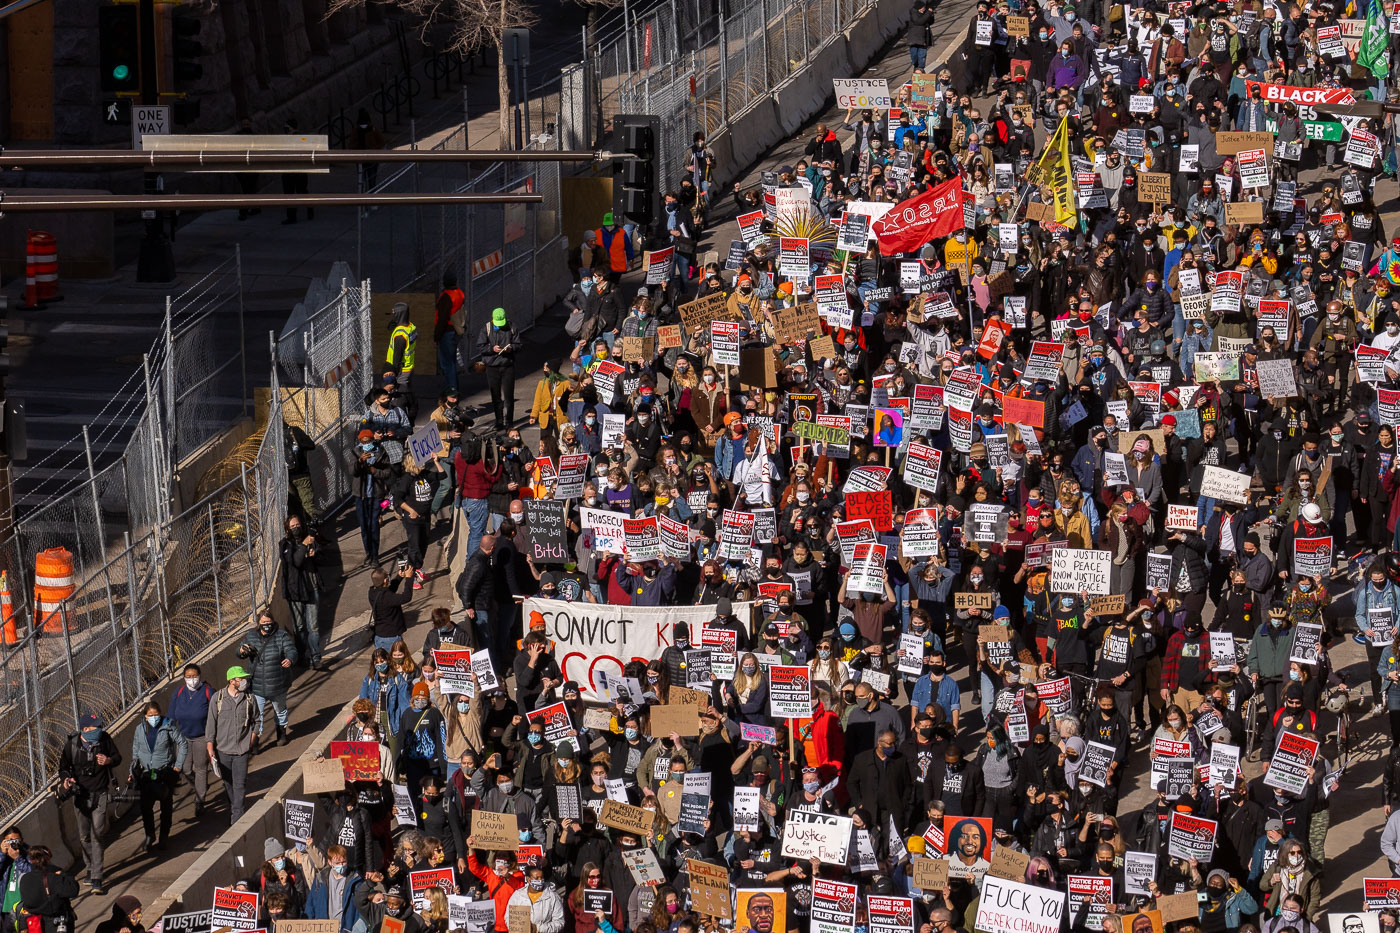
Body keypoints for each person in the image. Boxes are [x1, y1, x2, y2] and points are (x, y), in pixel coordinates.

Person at [58, 713, 120, 894]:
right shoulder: (72, 745)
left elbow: (118, 758)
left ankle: (97, 878)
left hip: (100, 793)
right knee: (84, 836)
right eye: (95, 727)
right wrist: (66, 779)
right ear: (85, 730)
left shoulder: (105, 740)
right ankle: (90, 867)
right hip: (81, 796)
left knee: (98, 834)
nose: (99, 730)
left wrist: (108, 760)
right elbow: (63, 767)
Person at [130, 700, 188, 852]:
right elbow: (136, 751)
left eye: (156, 715)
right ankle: (150, 835)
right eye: (150, 715)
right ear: (145, 716)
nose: (154, 718)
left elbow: (182, 744)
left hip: (164, 773)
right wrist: (133, 771)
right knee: (145, 808)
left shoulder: (168, 727)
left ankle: (163, 836)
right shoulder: (139, 730)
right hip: (146, 775)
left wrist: (177, 766)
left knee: (166, 807)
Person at [237, 607, 299, 747]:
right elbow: (240, 652)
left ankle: (281, 733)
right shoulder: (251, 636)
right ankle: (255, 742)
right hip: (257, 685)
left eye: (269, 621)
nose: (267, 625)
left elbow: (291, 649)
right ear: (259, 623)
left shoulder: (281, 635)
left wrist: (290, 659)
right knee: (257, 714)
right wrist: (242, 650)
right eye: (264, 622)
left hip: (278, 683)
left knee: (280, 710)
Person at [205, 665, 258, 824]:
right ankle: (236, 807)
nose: (244, 681)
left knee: (240, 784)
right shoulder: (218, 698)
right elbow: (211, 723)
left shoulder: (249, 698)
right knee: (228, 784)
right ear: (231, 680)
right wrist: (210, 746)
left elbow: (257, 721)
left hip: (242, 750)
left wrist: (251, 740)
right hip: (223, 750)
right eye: (240, 679)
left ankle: (237, 819)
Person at [168, 663, 214, 815]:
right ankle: (200, 787)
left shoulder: (208, 691)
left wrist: (211, 738)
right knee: (185, 769)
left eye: (194, 676)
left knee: (201, 768)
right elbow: (171, 716)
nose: (192, 680)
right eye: (188, 677)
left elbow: (215, 715)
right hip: (183, 738)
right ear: (184, 678)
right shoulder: (179, 692)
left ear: (199, 676)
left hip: (202, 737)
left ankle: (200, 799)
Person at [280, 514, 325, 671]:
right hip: (296, 592)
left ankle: (316, 656)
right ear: (287, 529)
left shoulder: (309, 539)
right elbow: (296, 561)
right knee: (299, 626)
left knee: (313, 626)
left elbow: (321, 557)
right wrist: (304, 546)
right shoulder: (285, 545)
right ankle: (301, 655)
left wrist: (314, 553)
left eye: (297, 525)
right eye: (292, 527)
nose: (296, 529)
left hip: (312, 588)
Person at [477, 308, 522, 431]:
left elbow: (518, 344)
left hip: (507, 365)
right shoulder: (486, 328)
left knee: (509, 396)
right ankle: (499, 421)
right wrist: (492, 348)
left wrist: (510, 348)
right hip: (492, 366)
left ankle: (509, 422)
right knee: (495, 395)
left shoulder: (512, 327)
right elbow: (480, 346)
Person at [435, 272, 466, 395]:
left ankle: (452, 391)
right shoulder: (459, 293)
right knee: (451, 362)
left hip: (447, 332)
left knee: (447, 364)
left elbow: (442, 319)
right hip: (456, 330)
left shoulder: (446, 297)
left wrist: (436, 336)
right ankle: (454, 388)